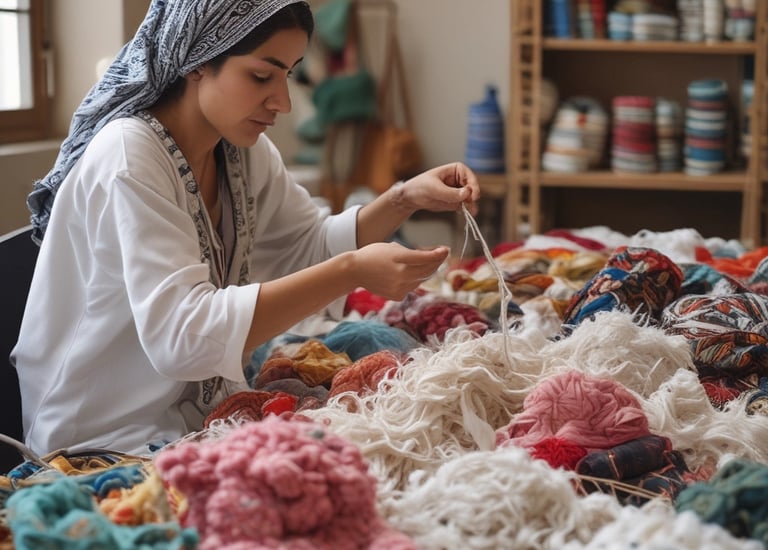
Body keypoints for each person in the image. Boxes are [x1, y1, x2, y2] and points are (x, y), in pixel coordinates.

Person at [11, 0, 480, 457]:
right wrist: (351, 269)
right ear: (197, 61)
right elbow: (185, 338)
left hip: (195, 416)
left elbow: (309, 246)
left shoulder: (239, 151)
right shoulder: (129, 157)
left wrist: (404, 199)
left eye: (289, 75)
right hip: (100, 436)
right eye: (261, 75)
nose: (283, 102)